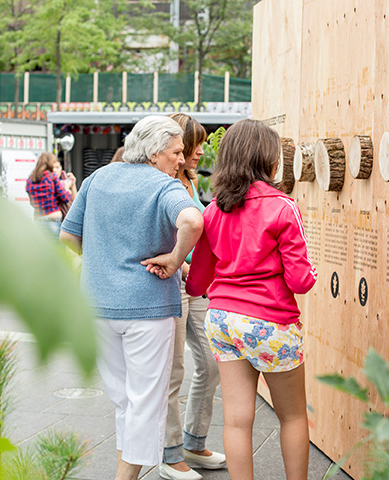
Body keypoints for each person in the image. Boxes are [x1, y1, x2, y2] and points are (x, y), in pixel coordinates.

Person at [59, 116, 204, 480]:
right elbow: (193, 222)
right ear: (154, 153)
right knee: (145, 401)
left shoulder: (98, 178)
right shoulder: (164, 186)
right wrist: (174, 260)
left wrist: (102, 260)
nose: (181, 160)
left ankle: (126, 473)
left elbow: (67, 237)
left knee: (124, 399)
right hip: (147, 307)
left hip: (97, 304)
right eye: (175, 152)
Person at [183, 119, 318, 480]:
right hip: (271, 322)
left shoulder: (213, 211)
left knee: (237, 421)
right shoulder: (283, 207)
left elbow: (197, 283)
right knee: (291, 415)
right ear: (266, 159)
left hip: (223, 319)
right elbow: (301, 281)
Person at [159, 113, 224, 480]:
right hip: (173, 282)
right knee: (173, 372)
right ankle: (169, 455)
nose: (199, 151)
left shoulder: (188, 180)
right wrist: (182, 264)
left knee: (212, 364)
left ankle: (194, 442)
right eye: (193, 144)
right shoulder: (162, 181)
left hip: (196, 282)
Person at [26, 152, 75, 237]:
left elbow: (32, 203)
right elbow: (66, 198)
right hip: (53, 220)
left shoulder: (30, 179)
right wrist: (67, 187)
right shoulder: (51, 177)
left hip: (38, 220)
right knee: (56, 249)